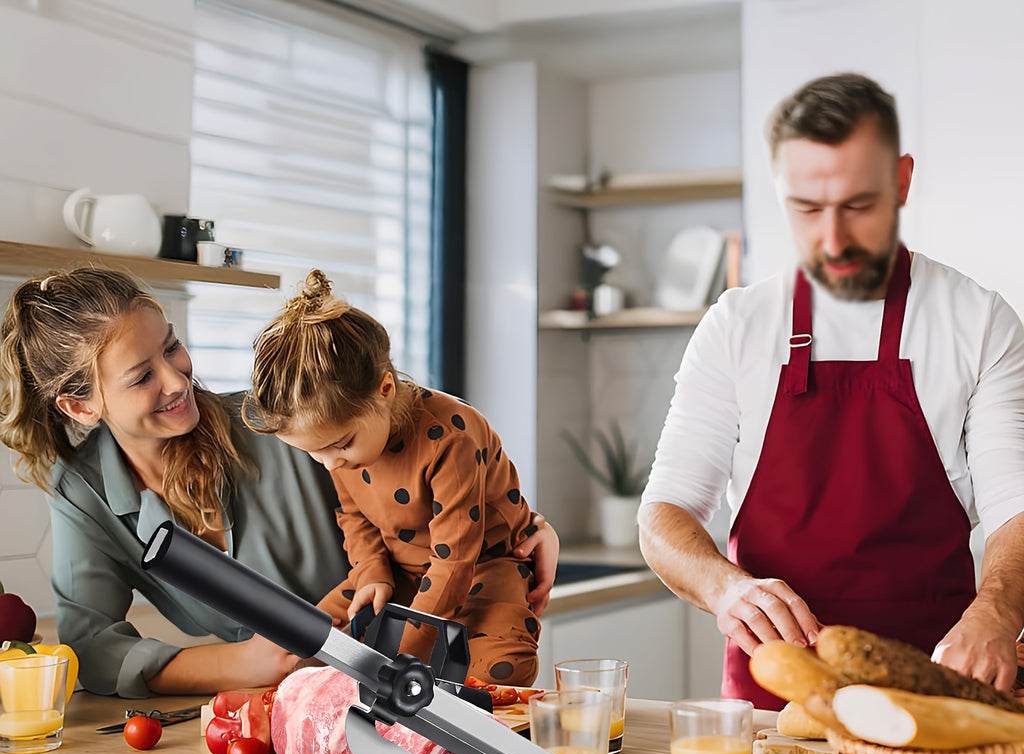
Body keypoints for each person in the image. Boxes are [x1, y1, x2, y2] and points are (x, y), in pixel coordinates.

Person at [638, 72, 1024, 710]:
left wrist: (999, 611)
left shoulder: (978, 322)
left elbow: (1016, 508)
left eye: (858, 205)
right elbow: (665, 515)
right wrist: (724, 589)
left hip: (937, 697)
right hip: (774, 706)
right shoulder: (736, 327)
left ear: (901, 182)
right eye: (808, 210)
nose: (834, 240)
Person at [0, 267, 558, 698]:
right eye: (142, 375)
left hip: (413, 668)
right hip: (297, 709)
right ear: (80, 405)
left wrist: (526, 527)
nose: (176, 378)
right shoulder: (82, 492)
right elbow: (88, 648)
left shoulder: (282, 423)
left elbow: (414, 453)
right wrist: (237, 665)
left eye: (170, 346)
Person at [242, 269, 542, 687]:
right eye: (314, 452)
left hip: (480, 574)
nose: (329, 464)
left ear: (384, 389)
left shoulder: (450, 436)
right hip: (398, 576)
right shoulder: (344, 453)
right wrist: (372, 575)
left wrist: (400, 651)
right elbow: (355, 518)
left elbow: (455, 560)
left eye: (341, 445)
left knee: (495, 676)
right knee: (298, 647)